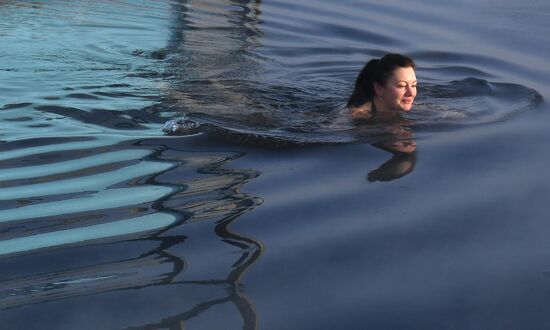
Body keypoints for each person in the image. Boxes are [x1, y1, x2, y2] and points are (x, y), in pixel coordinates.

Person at [348, 53, 417, 121]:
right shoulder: (357, 115)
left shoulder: (406, 104)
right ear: (379, 89)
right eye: (401, 86)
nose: (411, 93)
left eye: (413, 85)